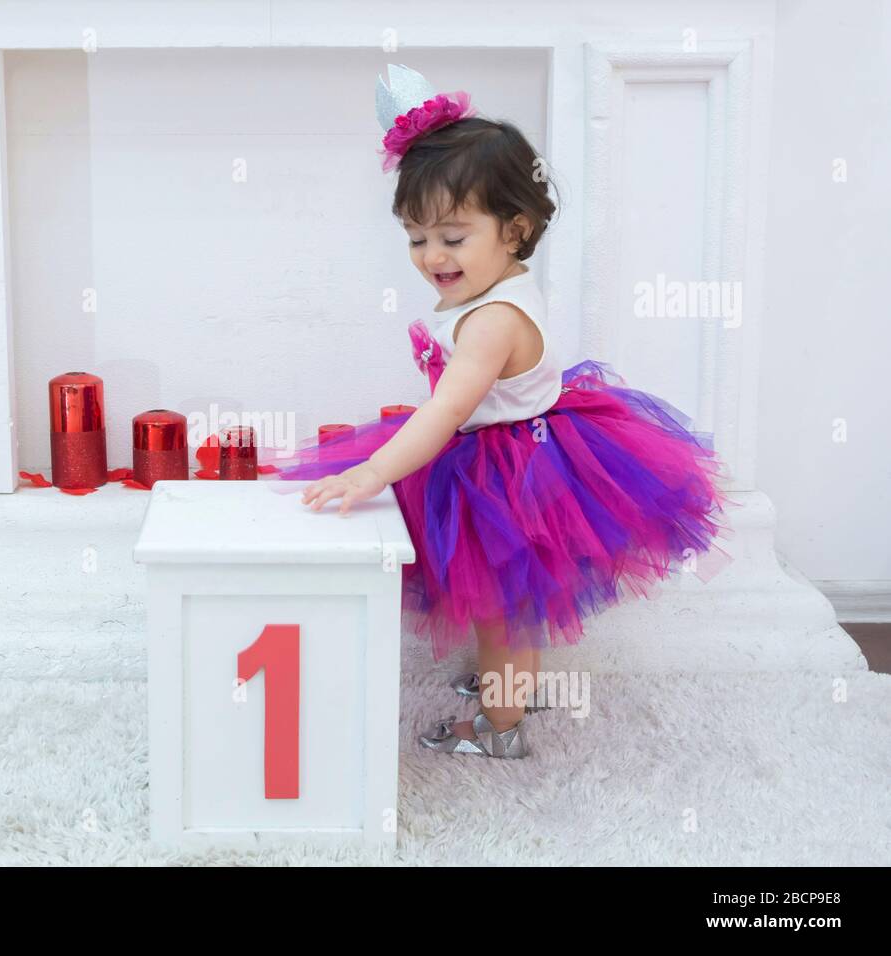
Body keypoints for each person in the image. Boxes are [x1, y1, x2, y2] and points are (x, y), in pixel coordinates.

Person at [259, 64, 736, 758]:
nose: (431, 256)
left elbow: (445, 413)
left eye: (453, 236)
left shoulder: (491, 322)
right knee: (508, 602)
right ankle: (508, 682)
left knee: (502, 609)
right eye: (417, 237)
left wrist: (372, 471)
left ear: (514, 230)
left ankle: (500, 729)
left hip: (511, 471)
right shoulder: (496, 289)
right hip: (511, 449)